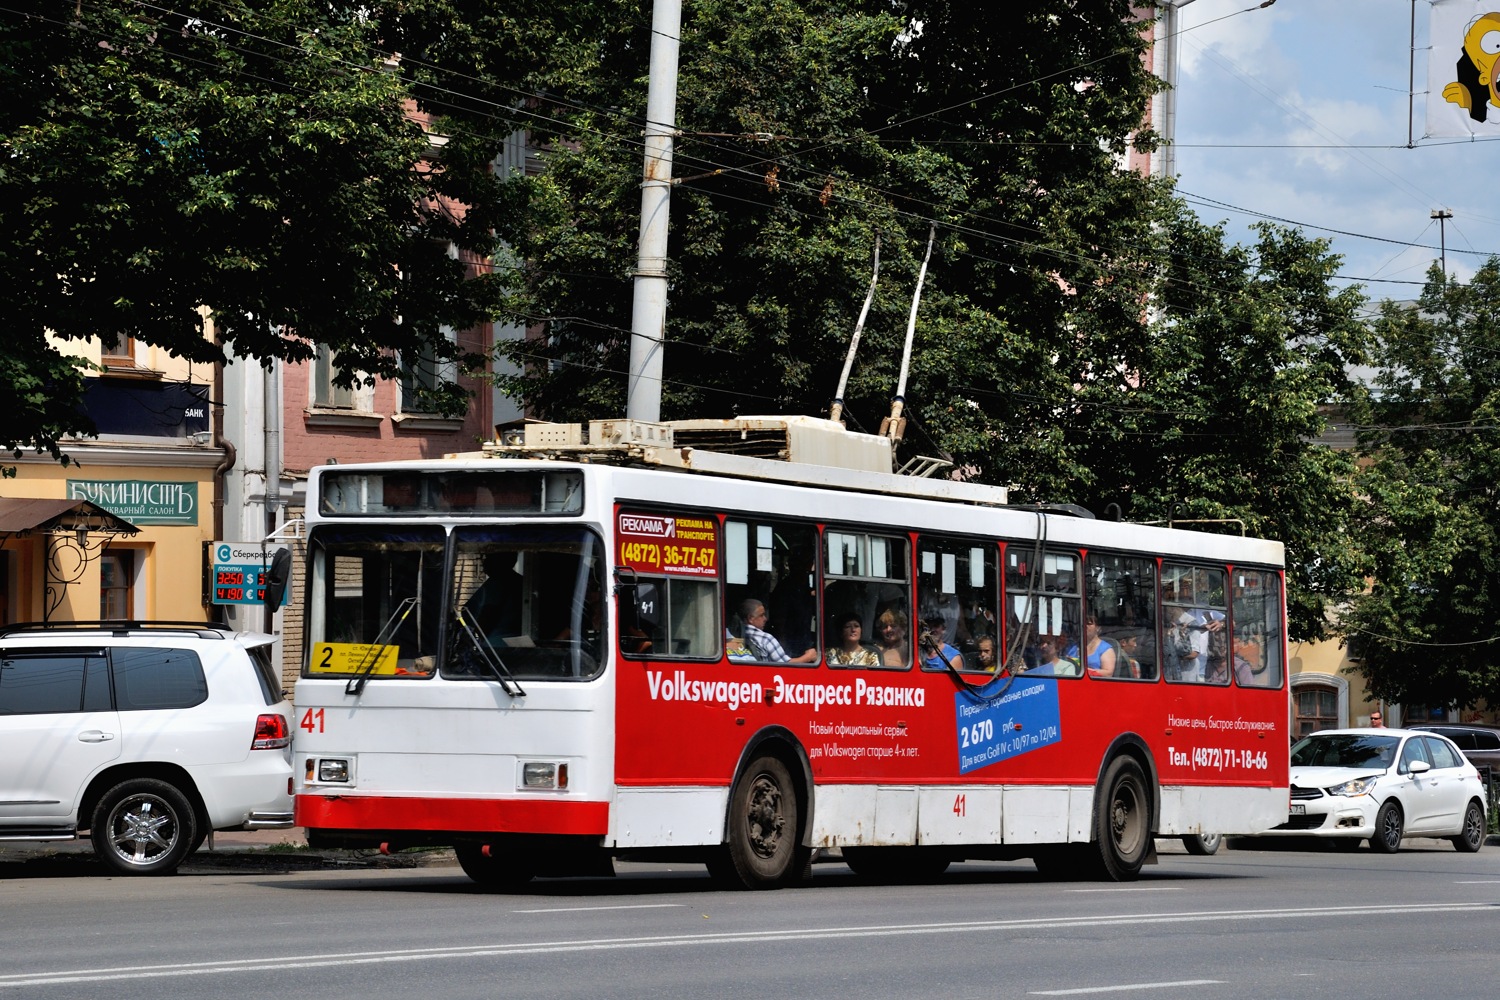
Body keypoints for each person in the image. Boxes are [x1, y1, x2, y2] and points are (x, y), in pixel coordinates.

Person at [464, 551, 523, 643]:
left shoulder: (498, 582)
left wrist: (473, 641)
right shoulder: (519, 581)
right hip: (512, 641)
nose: (484, 562)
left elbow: (488, 614)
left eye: (488, 558)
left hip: (494, 644)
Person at [739, 598, 818, 664]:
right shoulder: (765, 639)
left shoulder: (737, 635)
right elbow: (785, 665)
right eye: (761, 615)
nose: (765, 619)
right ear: (750, 618)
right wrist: (808, 657)